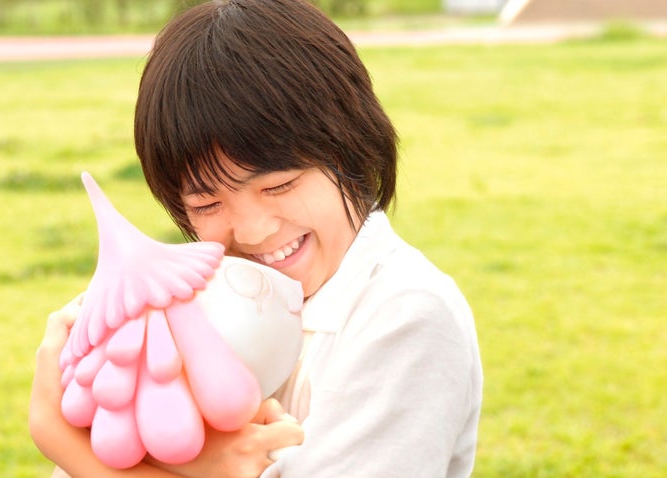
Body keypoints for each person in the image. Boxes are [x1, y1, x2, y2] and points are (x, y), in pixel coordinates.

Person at [28, 0, 483, 476]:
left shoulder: (406, 318)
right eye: (206, 205)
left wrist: (60, 438)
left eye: (279, 184)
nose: (250, 231)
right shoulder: (186, 305)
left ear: (350, 145)